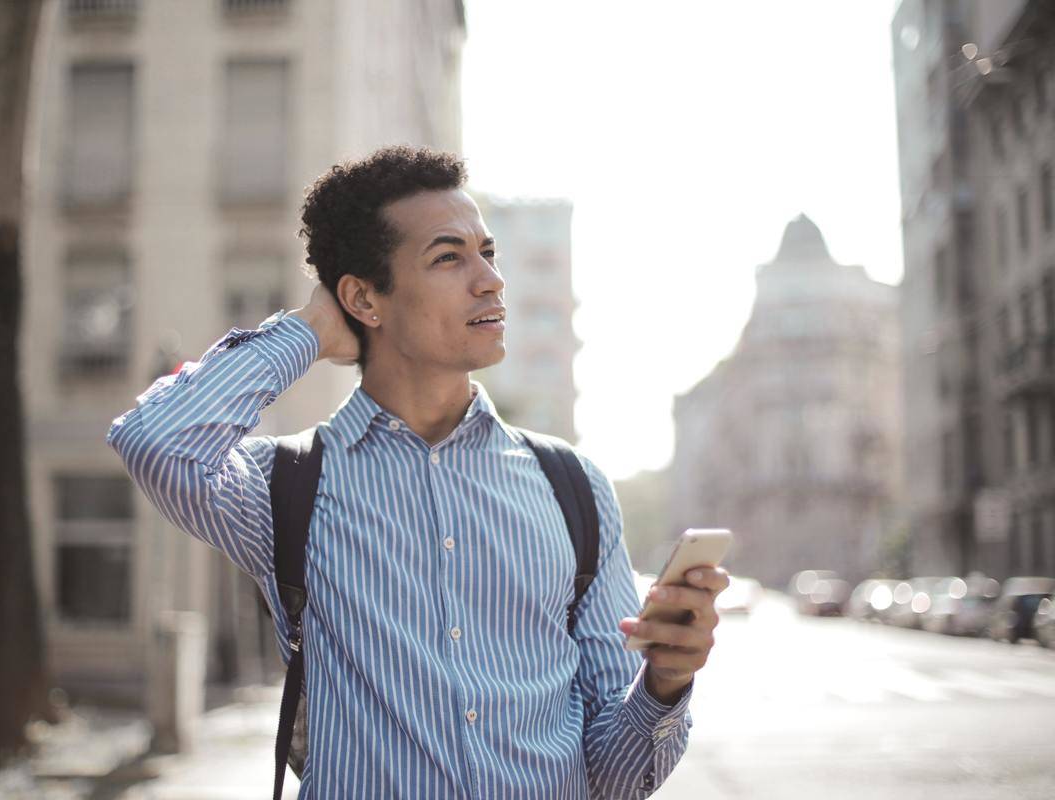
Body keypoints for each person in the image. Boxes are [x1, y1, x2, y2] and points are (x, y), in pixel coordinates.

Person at [106, 145, 728, 798]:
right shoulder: (286, 484)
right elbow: (158, 439)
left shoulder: (572, 487)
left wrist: (662, 685)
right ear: (364, 299)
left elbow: (615, 781)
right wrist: (312, 330)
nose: (491, 279)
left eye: (487, 251)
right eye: (448, 257)